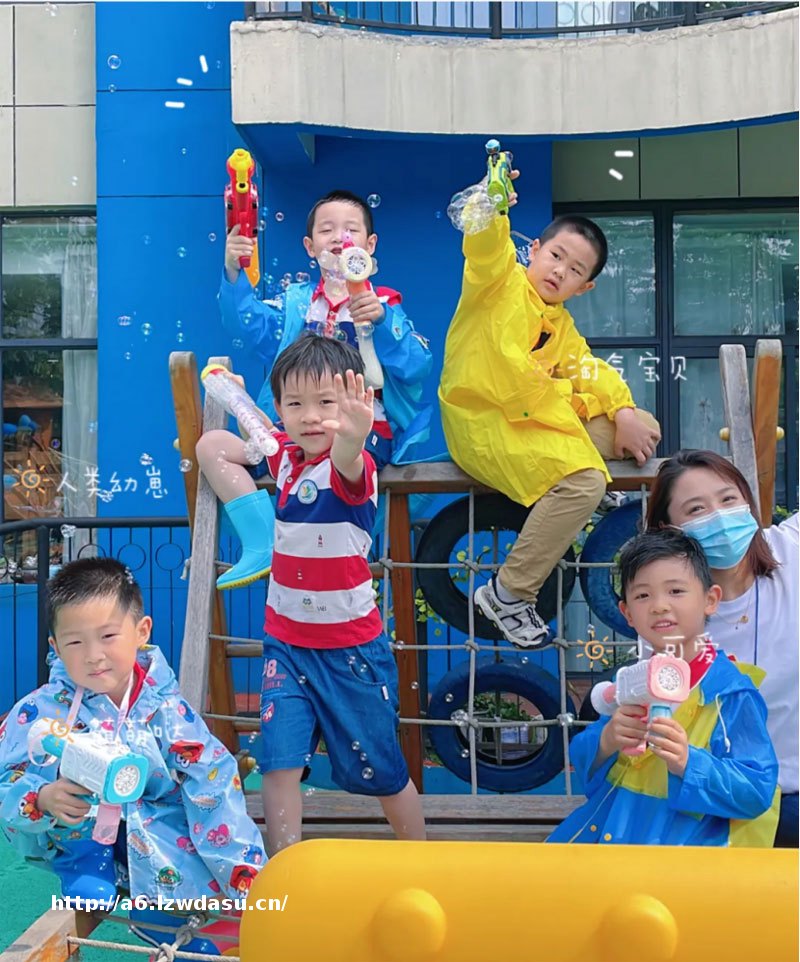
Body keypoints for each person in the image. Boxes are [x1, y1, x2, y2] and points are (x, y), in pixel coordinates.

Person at [439, 173, 661, 648]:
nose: (560, 271)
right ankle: (508, 594)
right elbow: (485, 247)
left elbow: (589, 370)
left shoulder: (561, 325)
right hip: (484, 426)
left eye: (575, 270)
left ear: (585, 286)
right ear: (534, 250)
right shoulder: (497, 284)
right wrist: (492, 206)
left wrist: (623, 410)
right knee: (586, 480)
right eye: (556, 256)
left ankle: (576, 490)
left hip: (531, 425)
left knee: (643, 425)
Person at [233, 333, 426, 855]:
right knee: (278, 764)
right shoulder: (284, 460)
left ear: (353, 402)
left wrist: (355, 434)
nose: (312, 416)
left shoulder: (351, 468)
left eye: (326, 402)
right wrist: (234, 401)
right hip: (286, 646)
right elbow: (215, 448)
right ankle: (285, 869)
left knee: (385, 770)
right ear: (279, 409)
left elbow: (347, 456)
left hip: (351, 652)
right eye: (295, 404)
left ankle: (420, 859)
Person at [199, 189, 433, 590]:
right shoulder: (297, 303)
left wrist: (382, 322)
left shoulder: (384, 305)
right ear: (310, 247)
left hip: (359, 435)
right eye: (327, 230)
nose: (339, 237)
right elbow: (248, 326)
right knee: (212, 447)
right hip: (298, 434)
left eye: (351, 229)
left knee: (327, 484)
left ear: (370, 245)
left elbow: (417, 366)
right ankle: (262, 542)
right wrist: (234, 270)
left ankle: (329, 567)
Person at [0, 558, 266, 908]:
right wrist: (43, 797)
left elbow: (210, 776)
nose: (94, 656)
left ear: (142, 631)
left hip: (154, 827)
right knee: (64, 786)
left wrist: (240, 867)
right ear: (56, 647)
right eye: (75, 642)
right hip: (78, 829)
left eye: (108, 636)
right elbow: (7, 777)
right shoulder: (42, 709)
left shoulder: (164, 707)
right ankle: (84, 863)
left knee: (195, 879)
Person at [549, 529, 779, 846]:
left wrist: (688, 762)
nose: (659, 605)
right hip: (609, 846)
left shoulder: (730, 694)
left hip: (683, 861)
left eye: (675, 591)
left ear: (710, 600)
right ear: (627, 613)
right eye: (643, 596)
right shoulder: (631, 682)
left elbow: (757, 792)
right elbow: (583, 761)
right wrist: (607, 740)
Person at [646, 448, 799, 848]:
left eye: (728, 499)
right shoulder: (666, 613)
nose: (719, 518)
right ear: (669, 530)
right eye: (697, 510)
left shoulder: (792, 550)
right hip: (730, 804)